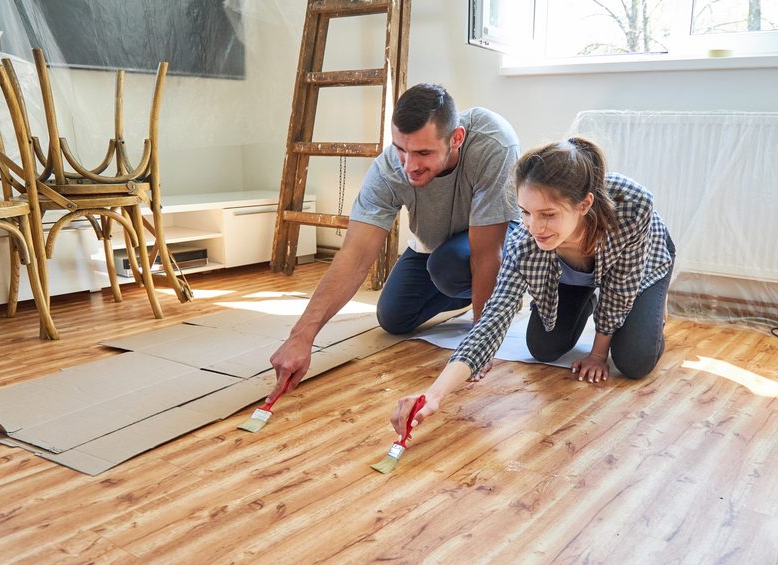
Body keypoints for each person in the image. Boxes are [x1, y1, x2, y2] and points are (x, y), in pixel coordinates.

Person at [390, 137, 676, 439]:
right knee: (543, 348)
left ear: (584, 204)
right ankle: (584, 300)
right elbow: (492, 321)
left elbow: (620, 287)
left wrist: (597, 354)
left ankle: (653, 312)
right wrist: (434, 394)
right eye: (526, 212)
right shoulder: (526, 243)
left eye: (548, 214)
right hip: (573, 275)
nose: (534, 227)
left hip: (641, 266)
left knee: (634, 362)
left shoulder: (631, 208)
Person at [269, 83, 521, 396]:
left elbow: (487, 253)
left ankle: (504, 293)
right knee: (394, 317)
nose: (409, 166)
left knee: (450, 265)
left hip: (493, 240)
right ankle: (477, 292)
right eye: (401, 150)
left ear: (456, 138)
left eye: (423, 153)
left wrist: (481, 342)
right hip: (435, 245)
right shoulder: (390, 168)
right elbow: (355, 255)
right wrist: (300, 337)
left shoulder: (493, 143)